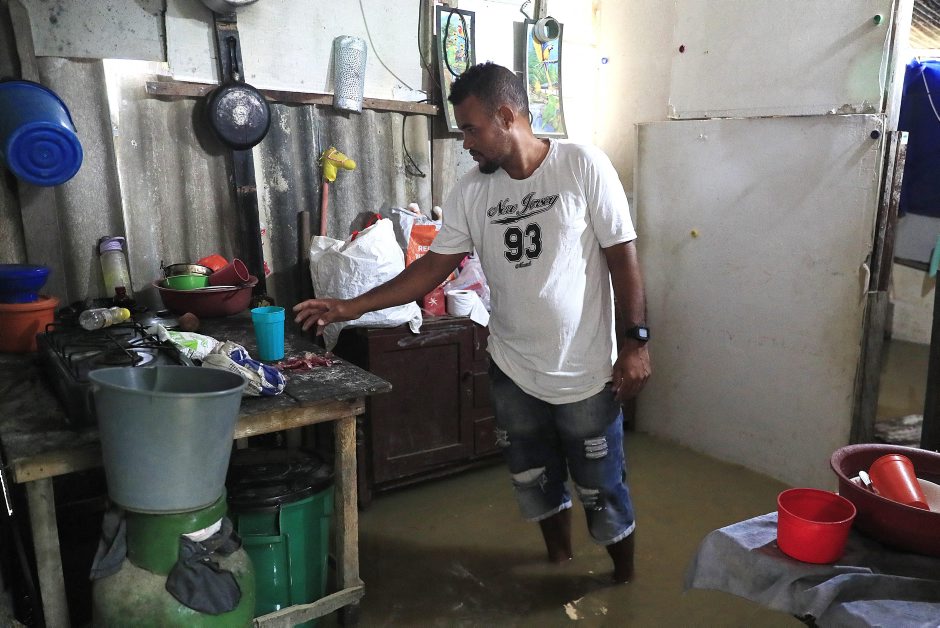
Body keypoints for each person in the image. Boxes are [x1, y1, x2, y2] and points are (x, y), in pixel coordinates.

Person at [294, 62, 651, 583]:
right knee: (535, 480)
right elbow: (431, 270)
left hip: (586, 372)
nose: (465, 142)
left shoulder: (582, 165)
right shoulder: (471, 192)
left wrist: (636, 343)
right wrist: (350, 307)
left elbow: (624, 259)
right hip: (512, 370)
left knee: (602, 488)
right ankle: (559, 562)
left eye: (471, 128)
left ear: (506, 116)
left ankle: (624, 586)